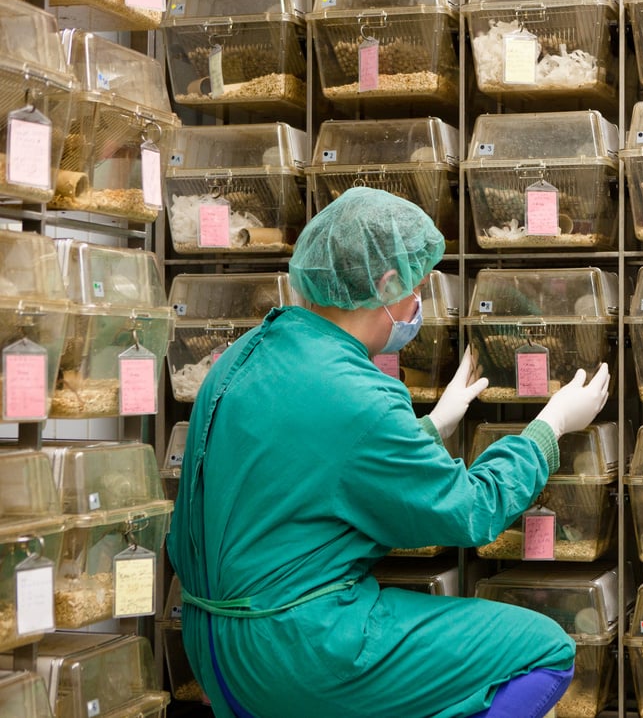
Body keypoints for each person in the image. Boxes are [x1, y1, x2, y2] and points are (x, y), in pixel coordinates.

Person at [167, 186, 611, 718]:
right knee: (545, 651)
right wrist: (551, 425)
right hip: (299, 649)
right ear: (384, 286)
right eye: (416, 289)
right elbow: (470, 510)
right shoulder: (360, 395)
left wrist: (433, 424)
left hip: (211, 644)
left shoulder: (246, 354)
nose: (417, 306)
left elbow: (311, 466)